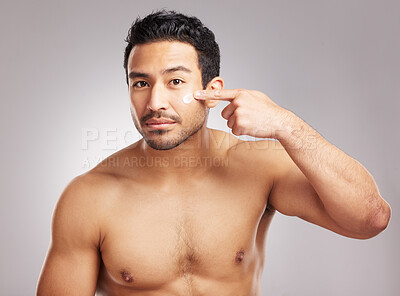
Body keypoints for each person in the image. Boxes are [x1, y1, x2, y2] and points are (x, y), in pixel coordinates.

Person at [36, 9, 391, 296]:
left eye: (176, 81)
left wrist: (287, 125)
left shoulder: (257, 167)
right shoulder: (89, 197)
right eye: (141, 83)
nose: (155, 102)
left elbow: (369, 219)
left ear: (212, 90)